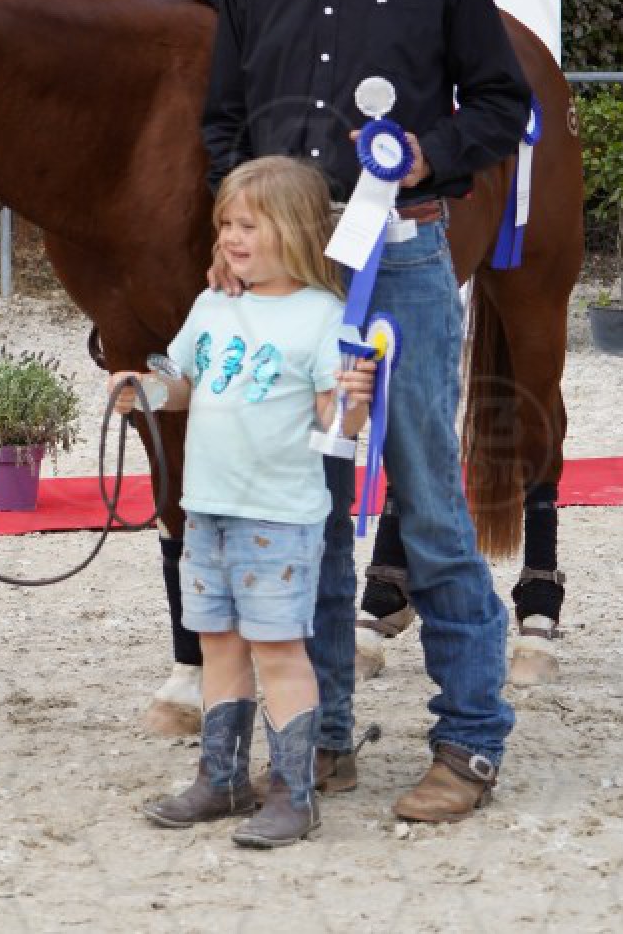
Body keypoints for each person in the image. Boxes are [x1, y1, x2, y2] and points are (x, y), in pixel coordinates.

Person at [203, 0, 532, 823]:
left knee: (427, 495)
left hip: (404, 258)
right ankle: (323, 737)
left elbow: (501, 103)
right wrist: (232, 231)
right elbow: (222, 123)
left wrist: (426, 156)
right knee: (307, 505)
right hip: (293, 276)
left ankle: (470, 739)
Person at [113, 156, 376, 848]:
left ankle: (294, 792)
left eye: (248, 225)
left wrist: (354, 402)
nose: (231, 237)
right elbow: (183, 382)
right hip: (207, 512)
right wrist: (143, 389)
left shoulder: (323, 317)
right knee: (220, 645)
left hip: (279, 519)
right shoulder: (212, 306)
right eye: (226, 223)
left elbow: (335, 425)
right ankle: (222, 778)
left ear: (295, 231)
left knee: (280, 651)